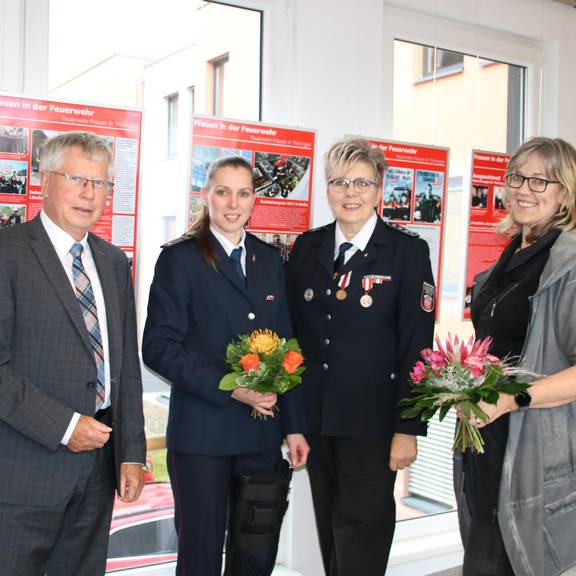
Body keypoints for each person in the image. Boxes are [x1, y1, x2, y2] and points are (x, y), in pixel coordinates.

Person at [142, 156, 309, 576]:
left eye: (243, 193)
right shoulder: (180, 259)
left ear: (255, 200)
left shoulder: (269, 261)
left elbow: (287, 346)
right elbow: (158, 347)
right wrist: (230, 386)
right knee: (200, 558)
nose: (232, 204)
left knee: (254, 555)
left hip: (260, 435)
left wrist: (293, 425)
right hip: (202, 438)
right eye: (222, 191)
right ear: (206, 195)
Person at [286, 137, 435, 576]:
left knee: (362, 540)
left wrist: (408, 428)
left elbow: (417, 347)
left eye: (361, 183)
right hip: (318, 423)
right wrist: (293, 421)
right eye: (339, 182)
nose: (350, 193)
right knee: (331, 534)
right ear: (327, 188)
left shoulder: (407, 252)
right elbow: (295, 339)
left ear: (379, 189)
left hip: (374, 427)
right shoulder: (307, 249)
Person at [0, 131, 146, 576]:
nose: (90, 194)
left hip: (98, 471)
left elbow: (125, 366)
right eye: (77, 179)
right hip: (24, 472)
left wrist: (132, 453)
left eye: (101, 184)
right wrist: (64, 427)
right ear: (46, 181)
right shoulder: (7, 254)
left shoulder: (113, 262)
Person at [454, 136, 576, 576]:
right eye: (517, 177)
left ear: (564, 190)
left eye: (540, 180)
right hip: (488, 446)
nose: (524, 189)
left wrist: (511, 399)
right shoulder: (502, 265)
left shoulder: (569, 265)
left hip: (535, 452)